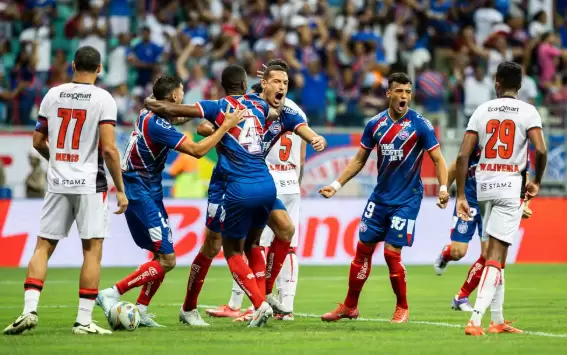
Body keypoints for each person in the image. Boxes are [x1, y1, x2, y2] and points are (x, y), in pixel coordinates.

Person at [95, 75, 246, 327]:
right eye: (182, 92)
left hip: (148, 190)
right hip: (140, 190)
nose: (183, 96)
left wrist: (213, 113)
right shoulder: (157, 125)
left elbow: (178, 115)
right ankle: (112, 292)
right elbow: (197, 151)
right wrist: (225, 125)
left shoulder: (149, 112)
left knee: (160, 255)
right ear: (175, 96)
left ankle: (141, 309)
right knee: (168, 260)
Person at [4, 46, 128, 335]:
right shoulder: (103, 99)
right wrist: (120, 189)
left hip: (58, 182)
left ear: (72, 65)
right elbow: (109, 149)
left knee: (43, 246)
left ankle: (28, 310)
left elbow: (37, 141)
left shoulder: (52, 94)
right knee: (92, 250)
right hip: (90, 184)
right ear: (99, 69)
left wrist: (58, 161)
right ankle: (83, 321)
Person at [145, 64, 279, 327]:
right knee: (219, 245)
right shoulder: (260, 105)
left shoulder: (219, 106)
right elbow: (273, 113)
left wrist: (150, 100)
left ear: (222, 86)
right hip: (245, 182)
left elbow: (172, 111)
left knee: (228, 247)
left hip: (236, 185)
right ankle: (190, 308)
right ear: (246, 83)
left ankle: (257, 304)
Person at [319, 72, 450, 323]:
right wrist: (335, 185)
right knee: (362, 251)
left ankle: (402, 307)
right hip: (380, 199)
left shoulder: (420, 124)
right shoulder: (375, 124)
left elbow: (438, 159)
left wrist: (443, 188)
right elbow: (359, 159)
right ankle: (350, 306)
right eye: (399, 91)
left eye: (408, 92)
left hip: (407, 199)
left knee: (391, 253)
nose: (404, 97)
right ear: (388, 94)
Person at [204, 63, 324, 322]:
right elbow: (303, 154)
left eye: (283, 82)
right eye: (277, 81)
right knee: (286, 242)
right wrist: (298, 181)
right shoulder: (294, 111)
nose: (280, 86)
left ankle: (249, 303)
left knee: (251, 245)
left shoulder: (257, 108)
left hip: (262, 180)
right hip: (289, 182)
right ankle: (280, 303)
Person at [456, 61, 547, 336]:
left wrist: (461, 194)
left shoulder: (482, 111)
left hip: (482, 185)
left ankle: (498, 319)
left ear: (497, 82)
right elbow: (540, 150)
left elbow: (462, 156)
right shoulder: (528, 111)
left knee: (496, 251)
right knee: (496, 255)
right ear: (520, 85)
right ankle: (475, 319)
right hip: (509, 186)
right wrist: (537, 182)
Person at [433, 155, 533, 311]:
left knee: (489, 255)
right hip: (469, 202)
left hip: (493, 205)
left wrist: (525, 204)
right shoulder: (479, 137)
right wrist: (444, 190)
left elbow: (523, 176)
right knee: (458, 252)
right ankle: (447, 253)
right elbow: (457, 163)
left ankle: (461, 297)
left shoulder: (516, 146)